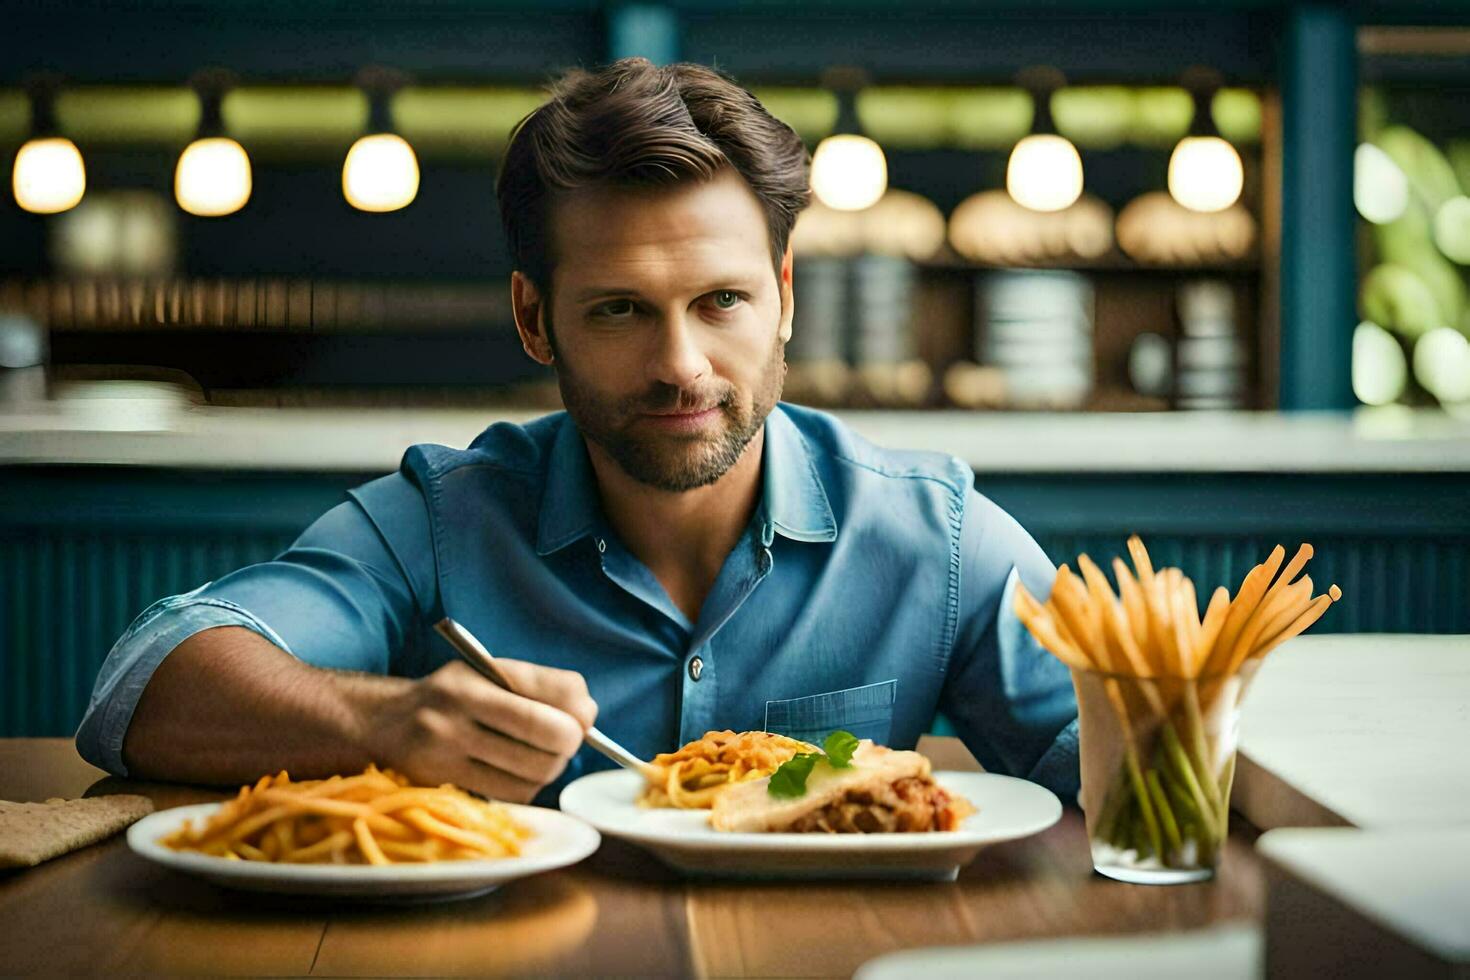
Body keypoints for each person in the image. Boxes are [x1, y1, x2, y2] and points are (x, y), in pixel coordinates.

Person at [76, 57, 1078, 807]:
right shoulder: (441, 520)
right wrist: (388, 720)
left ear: (781, 298)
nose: (681, 363)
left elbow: (1117, 764)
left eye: (720, 299)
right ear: (533, 318)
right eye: (619, 310)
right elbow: (140, 684)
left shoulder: (931, 532)